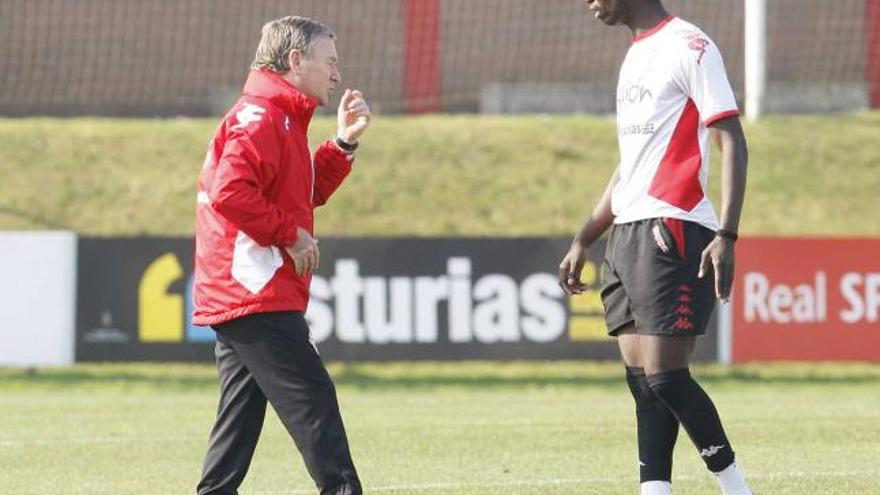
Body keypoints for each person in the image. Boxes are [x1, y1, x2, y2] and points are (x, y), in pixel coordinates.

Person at [559, 1, 752, 494]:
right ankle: (655, 489)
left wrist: (727, 234)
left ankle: (736, 487)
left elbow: (730, 135)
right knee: (642, 381)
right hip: (626, 231)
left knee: (666, 376)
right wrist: (586, 236)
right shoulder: (634, 55)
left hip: (675, 225)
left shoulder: (690, 45)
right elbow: (630, 165)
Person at [191, 15, 370, 495]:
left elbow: (298, 194)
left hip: (248, 294)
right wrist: (289, 235)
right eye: (329, 62)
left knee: (236, 435)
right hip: (256, 293)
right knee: (315, 402)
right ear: (295, 60)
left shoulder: (280, 117)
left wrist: (343, 143)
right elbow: (230, 192)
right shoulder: (263, 117)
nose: (337, 74)